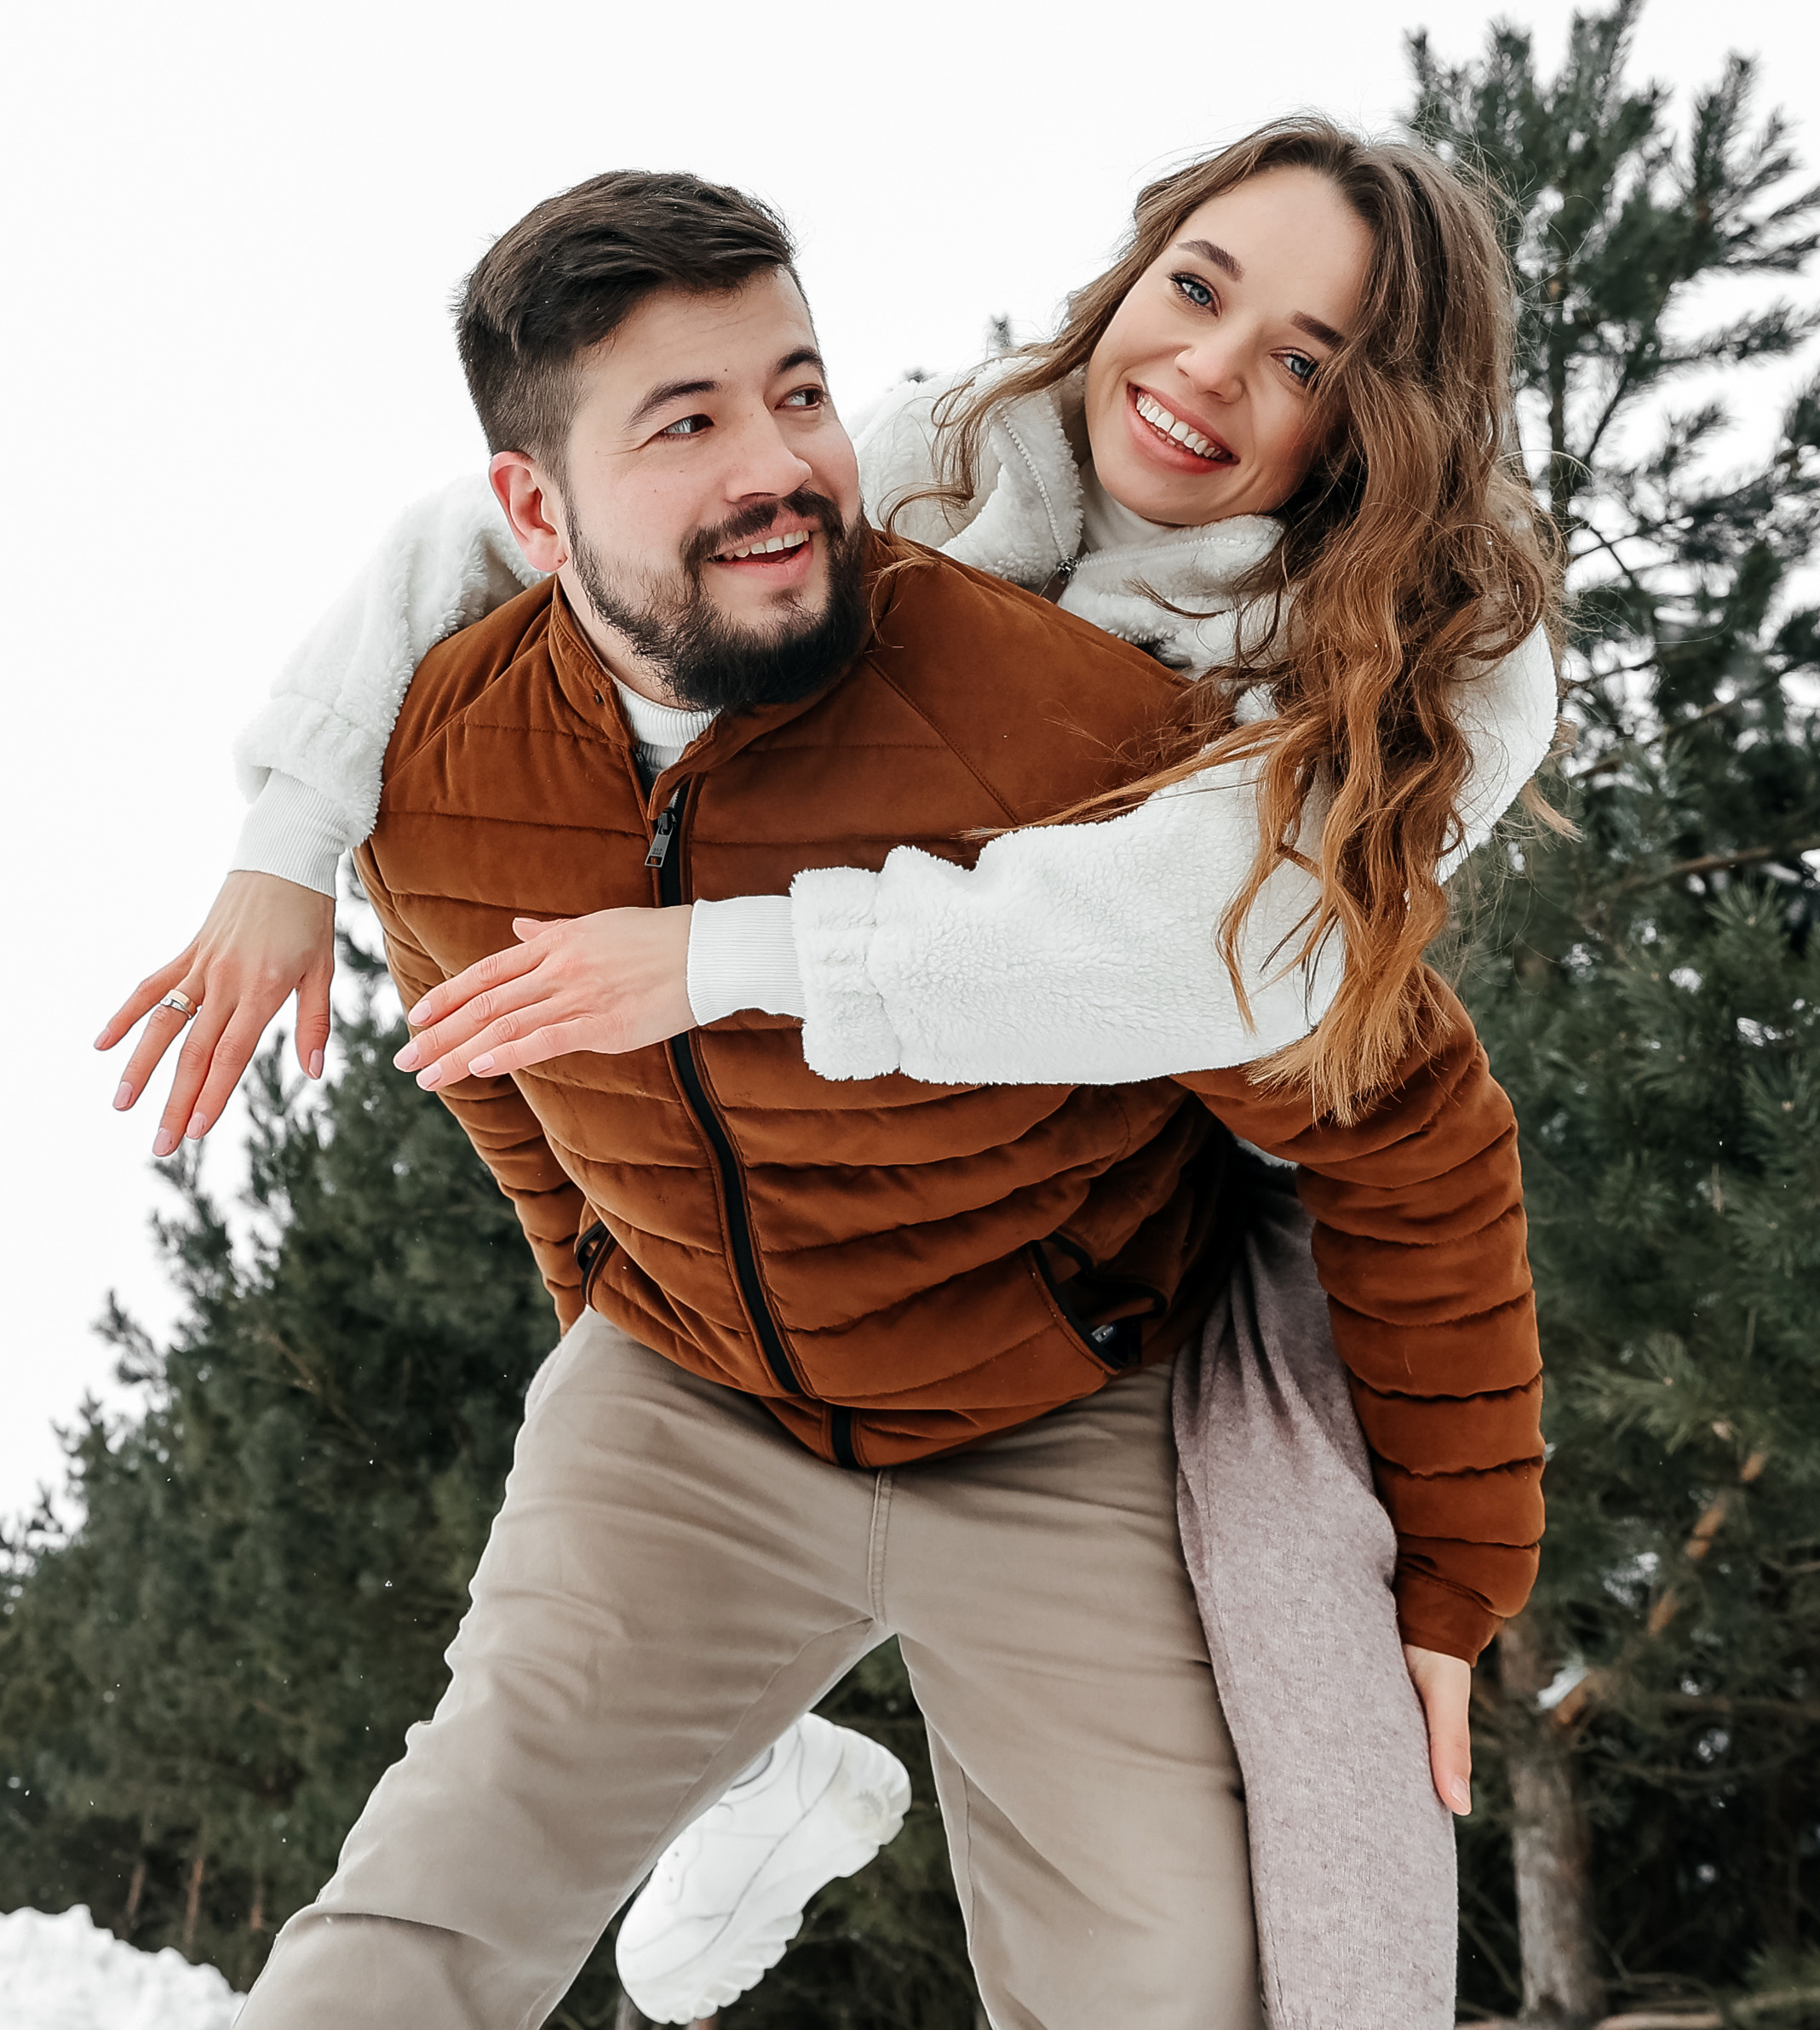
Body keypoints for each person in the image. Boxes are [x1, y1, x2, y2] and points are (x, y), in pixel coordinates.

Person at [101, 134, 1555, 2029]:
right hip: (706, 1386)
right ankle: (736, 1753)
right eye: (1195, 289)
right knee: (413, 1924)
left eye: (1308, 360)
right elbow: (516, 1049)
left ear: (1374, 431)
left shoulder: (1276, 709)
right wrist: (290, 839)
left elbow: (1320, 1031)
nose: (1208, 370)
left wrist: (1445, 1587)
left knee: (1187, 1988)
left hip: (1073, 1379)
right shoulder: (923, 482)